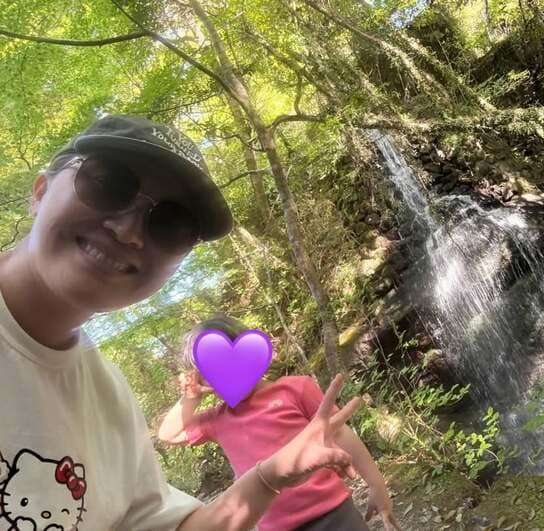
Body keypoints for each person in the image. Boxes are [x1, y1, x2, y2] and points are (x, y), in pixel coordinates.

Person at [0, 114, 361, 531]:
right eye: (108, 184)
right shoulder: (214, 417)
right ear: (40, 191)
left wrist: (269, 476)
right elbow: (173, 432)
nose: (129, 232)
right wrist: (191, 400)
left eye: (171, 226)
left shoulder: (110, 401)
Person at [158, 315, 401, 531]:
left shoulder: (295, 389)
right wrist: (190, 398)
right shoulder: (217, 419)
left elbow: (340, 433)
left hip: (333, 512)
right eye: (211, 375)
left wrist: (376, 485)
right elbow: (168, 435)